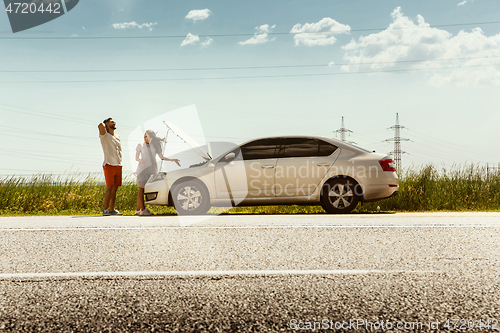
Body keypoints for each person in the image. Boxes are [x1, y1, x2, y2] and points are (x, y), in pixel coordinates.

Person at [135, 130, 180, 216]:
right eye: (144, 136)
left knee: (144, 190)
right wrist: (142, 162)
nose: (145, 138)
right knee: (141, 189)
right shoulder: (140, 145)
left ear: (151, 138)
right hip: (142, 170)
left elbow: (162, 157)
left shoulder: (155, 146)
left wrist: (172, 160)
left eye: (147, 136)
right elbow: (136, 158)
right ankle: (143, 209)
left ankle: (138, 210)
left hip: (151, 170)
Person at [98, 118, 123, 216]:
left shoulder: (117, 137)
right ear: (107, 125)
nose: (114, 122)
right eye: (111, 122)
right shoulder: (104, 136)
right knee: (109, 187)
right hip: (109, 164)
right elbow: (100, 125)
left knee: (115, 188)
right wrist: (105, 124)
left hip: (118, 164)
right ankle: (105, 210)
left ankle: (112, 209)